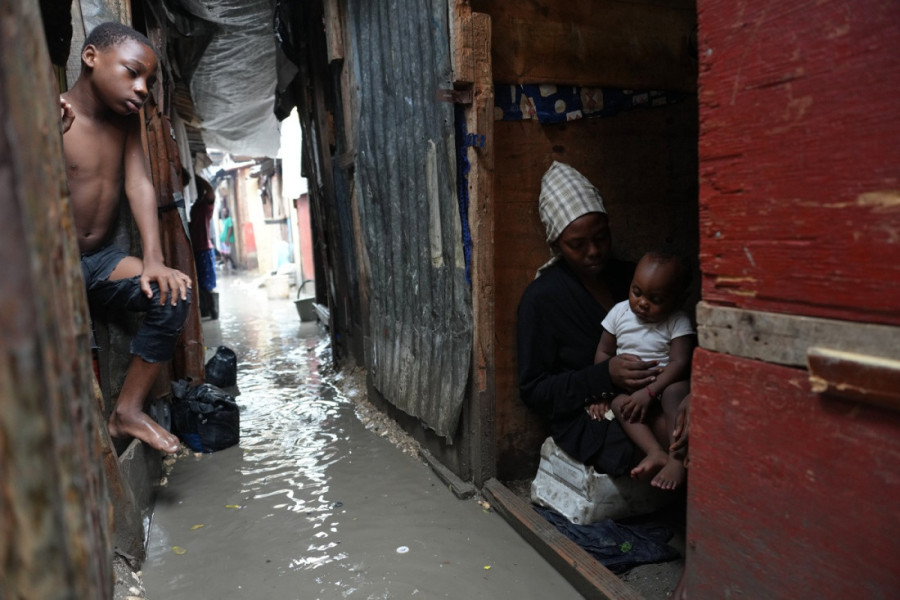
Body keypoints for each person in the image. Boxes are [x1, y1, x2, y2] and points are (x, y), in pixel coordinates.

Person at [61, 22, 190, 454]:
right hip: (46, 268)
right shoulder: (52, 114)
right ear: (91, 57)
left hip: (98, 260)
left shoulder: (126, 122)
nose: (142, 89)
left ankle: (127, 412)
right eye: (133, 72)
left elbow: (139, 184)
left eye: (148, 81)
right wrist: (45, 139)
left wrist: (153, 259)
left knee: (172, 293)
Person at [517, 162, 662, 477]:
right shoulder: (542, 299)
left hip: (656, 392)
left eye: (601, 237)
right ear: (555, 244)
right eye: (577, 245)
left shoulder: (633, 279)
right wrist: (602, 377)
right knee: (648, 435)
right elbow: (534, 391)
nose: (594, 251)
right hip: (588, 414)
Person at [594, 251, 695, 490]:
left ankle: (676, 458)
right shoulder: (619, 312)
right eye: (636, 292)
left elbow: (680, 363)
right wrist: (601, 391)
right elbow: (603, 353)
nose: (642, 303)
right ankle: (654, 452)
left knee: (675, 392)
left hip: (663, 387)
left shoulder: (677, 320)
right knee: (618, 403)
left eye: (655, 299)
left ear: (678, 300)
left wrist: (650, 392)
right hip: (631, 390)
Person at [189, 177, 217, 318]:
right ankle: (207, 309)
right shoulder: (194, 208)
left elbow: (211, 192)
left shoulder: (205, 206)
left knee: (206, 283)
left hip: (204, 249)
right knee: (200, 282)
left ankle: (212, 309)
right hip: (196, 249)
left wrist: (196, 176)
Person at [218, 204, 236, 271]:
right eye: (223, 212)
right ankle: (226, 266)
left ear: (227, 212)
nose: (223, 213)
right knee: (223, 253)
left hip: (227, 240)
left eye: (225, 212)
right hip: (222, 239)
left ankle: (233, 264)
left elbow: (230, 228)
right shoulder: (223, 221)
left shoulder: (229, 219)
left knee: (227, 253)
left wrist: (227, 238)